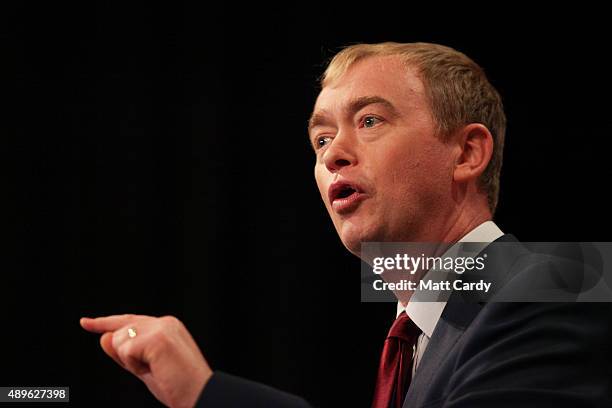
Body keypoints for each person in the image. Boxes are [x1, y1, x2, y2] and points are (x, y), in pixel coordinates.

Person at [80, 42, 612, 407]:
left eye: (370, 121)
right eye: (320, 139)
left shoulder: (562, 284)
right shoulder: (418, 339)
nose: (334, 153)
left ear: (467, 152)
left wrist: (208, 393)